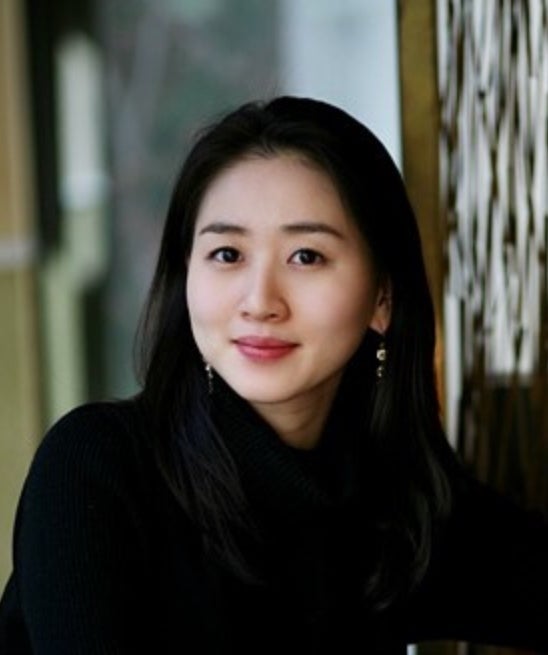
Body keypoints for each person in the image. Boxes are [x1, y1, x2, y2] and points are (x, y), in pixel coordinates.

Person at [0, 96, 547, 654]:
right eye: (227, 254)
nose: (259, 302)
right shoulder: (97, 469)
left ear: (382, 297)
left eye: (306, 256)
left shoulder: (393, 504)